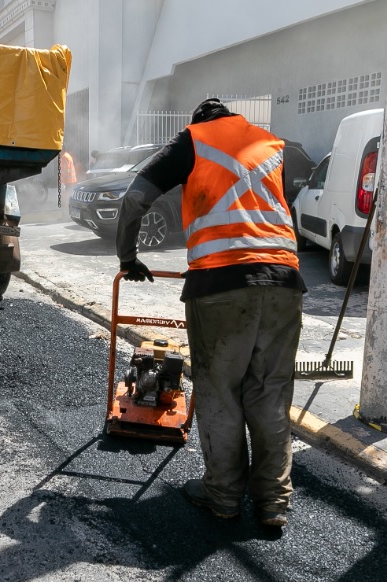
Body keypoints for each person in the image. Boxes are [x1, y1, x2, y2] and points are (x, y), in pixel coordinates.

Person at [115, 98, 306, 527]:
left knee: (221, 391)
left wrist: (127, 257)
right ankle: (273, 502)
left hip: (221, 286)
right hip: (284, 283)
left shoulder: (193, 140)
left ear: (199, 121)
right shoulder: (271, 144)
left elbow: (135, 199)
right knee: (270, 393)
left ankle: (223, 495)